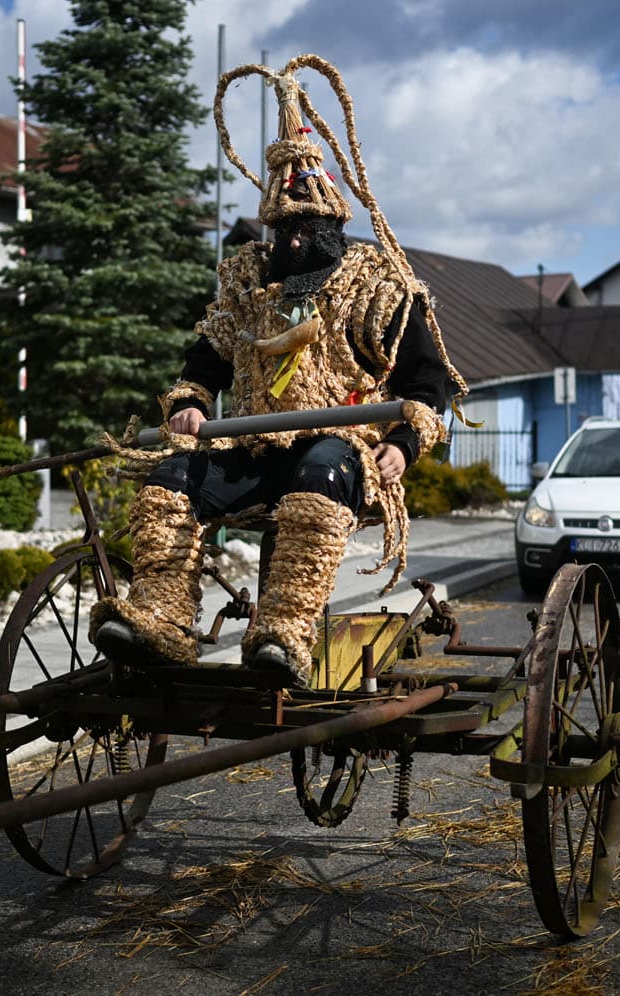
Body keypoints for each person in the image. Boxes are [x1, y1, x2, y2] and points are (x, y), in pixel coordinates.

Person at [90, 55, 471, 688]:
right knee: (172, 472)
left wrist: (402, 444)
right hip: (252, 447)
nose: (290, 240)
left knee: (319, 469)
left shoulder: (378, 285)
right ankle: (160, 618)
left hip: (342, 450)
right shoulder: (244, 283)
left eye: (303, 227)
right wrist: (189, 401)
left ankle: (283, 633)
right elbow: (202, 364)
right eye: (281, 227)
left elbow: (428, 388)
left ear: (330, 224)